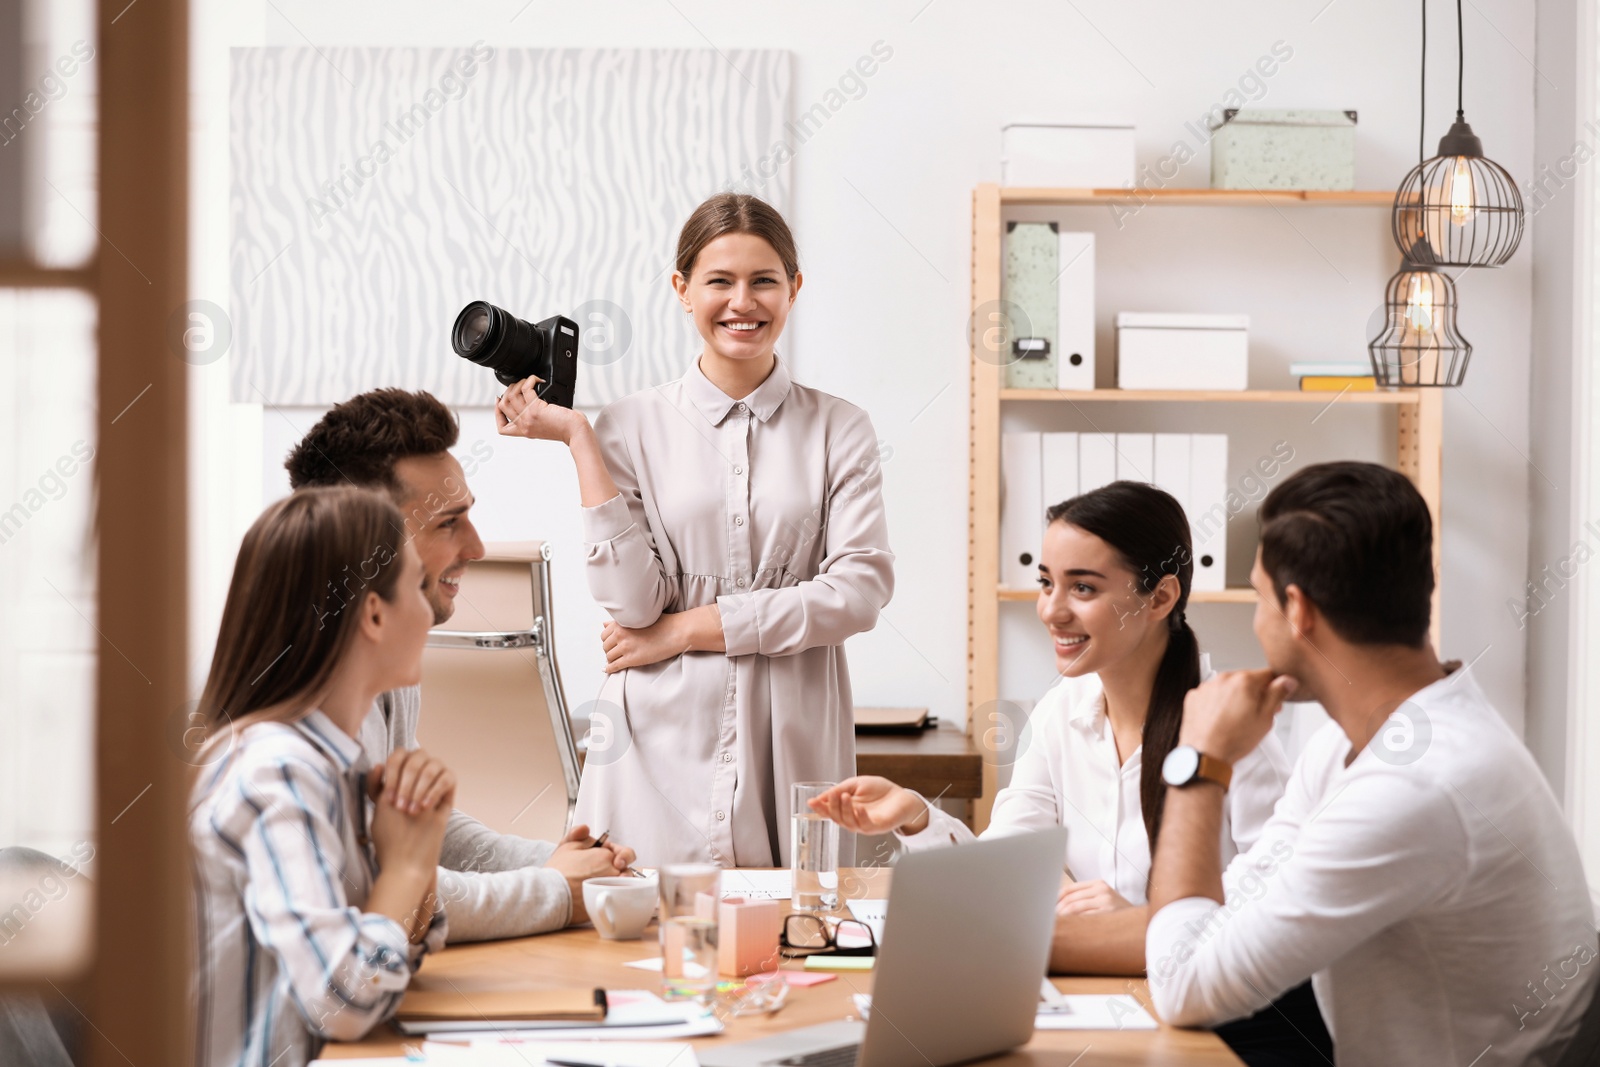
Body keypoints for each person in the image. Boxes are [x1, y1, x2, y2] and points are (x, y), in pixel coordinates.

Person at [1146, 462, 1600, 1066]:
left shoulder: (1417, 785)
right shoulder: (1360, 743)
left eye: (1259, 597)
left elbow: (1183, 986)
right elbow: (1235, 908)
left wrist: (1199, 763)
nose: (1258, 621)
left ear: (1298, 610)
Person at [495, 192, 894, 867]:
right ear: (682, 290)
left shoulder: (840, 429)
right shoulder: (627, 425)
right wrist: (580, 440)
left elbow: (859, 592)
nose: (744, 301)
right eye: (719, 281)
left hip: (791, 736)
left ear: (793, 289)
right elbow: (634, 604)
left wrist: (683, 631)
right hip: (652, 744)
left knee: (795, 945)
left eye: (764, 280)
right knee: (644, 949)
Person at [809, 483, 1292, 985]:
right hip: (1082, 991)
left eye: (1083, 588)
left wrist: (1136, 924)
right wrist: (913, 816)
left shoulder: (1237, 734)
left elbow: (1270, 919)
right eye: (1046, 583)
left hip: (1198, 1017)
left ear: (1160, 597)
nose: (1051, 610)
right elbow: (1001, 870)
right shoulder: (1061, 710)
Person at [286, 389, 634, 939]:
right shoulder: (297, 710)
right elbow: (377, 894)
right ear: (367, 545)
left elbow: (427, 835)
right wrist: (554, 889)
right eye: (449, 523)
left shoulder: (383, 671)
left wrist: (562, 862)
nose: (475, 548)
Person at [190, 486, 456, 1066]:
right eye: (416, 584)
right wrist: (408, 866)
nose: (430, 605)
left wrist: (417, 842)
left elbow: (401, 956)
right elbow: (345, 998)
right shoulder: (277, 771)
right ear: (375, 614)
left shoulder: (342, 766)